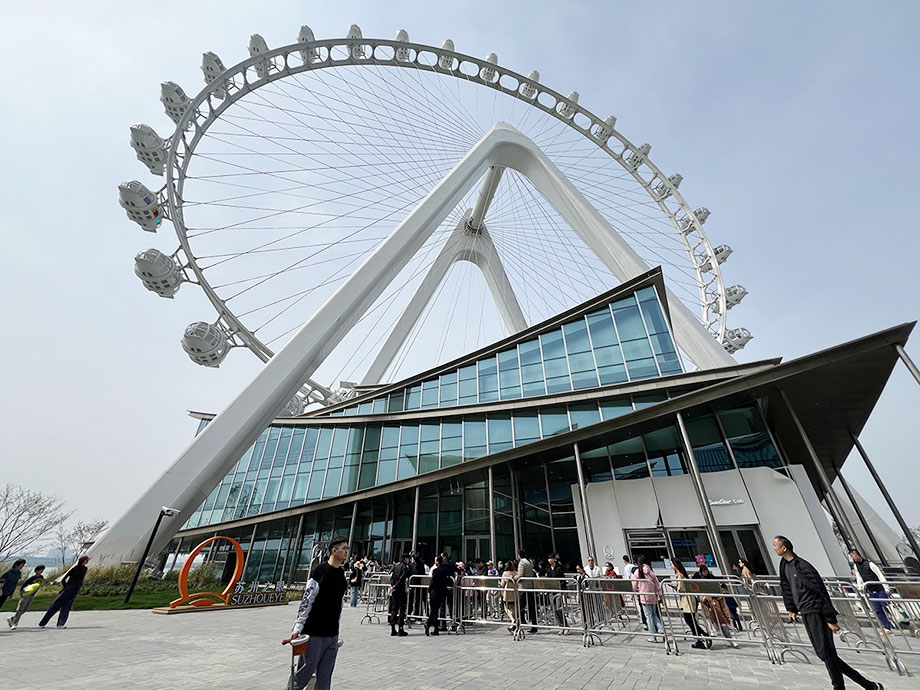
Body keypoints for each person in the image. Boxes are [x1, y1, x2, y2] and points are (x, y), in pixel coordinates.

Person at [774, 535, 883, 690]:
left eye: (775, 545)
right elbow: (786, 587)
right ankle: (851, 686)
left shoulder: (803, 566)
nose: (774, 548)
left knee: (826, 654)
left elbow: (819, 591)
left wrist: (829, 618)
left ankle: (867, 685)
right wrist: (791, 608)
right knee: (827, 654)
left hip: (816, 611)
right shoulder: (784, 565)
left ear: (784, 548)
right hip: (805, 612)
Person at [282, 536, 349, 690]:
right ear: (334, 551)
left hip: (332, 636)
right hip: (314, 635)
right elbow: (307, 601)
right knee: (302, 677)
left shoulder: (341, 575)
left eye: (347, 548)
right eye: (344, 548)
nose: (347, 551)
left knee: (325, 680)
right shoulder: (319, 572)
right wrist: (298, 627)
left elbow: (338, 605)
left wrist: (336, 633)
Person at [39, 555, 89, 629]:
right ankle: (42, 623)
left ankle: (61, 623)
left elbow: (80, 579)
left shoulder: (85, 569)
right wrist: (66, 587)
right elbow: (63, 579)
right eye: (86, 560)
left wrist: (79, 586)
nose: (86, 562)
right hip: (68, 590)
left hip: (75, 590)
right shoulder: (74, 569)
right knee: (55, 606)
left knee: (67, 607)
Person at [850, 549, 893, 634]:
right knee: (877, 609)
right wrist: (860, 586)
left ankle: (903, 622)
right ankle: (886, 627)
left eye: (853, 556)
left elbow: (879, 575)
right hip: (870, 589)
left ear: (858, 555)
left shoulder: (870, 564)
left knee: (887, 606)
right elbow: (859, 577)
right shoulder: (856, 566)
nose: (853, 558)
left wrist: (886, 587)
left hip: (879, 588)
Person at [671, 560, 711, 649]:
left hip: (688, 599)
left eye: (672, 564)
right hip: (687, 599)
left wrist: (676, 588)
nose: (671, 566)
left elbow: (681, 588)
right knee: (690, 620)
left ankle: (703, 636)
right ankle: (700, 638)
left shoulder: (680, 575)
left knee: (689, 620)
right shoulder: (681, 574)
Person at [631, 555, 664, 643]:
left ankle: (653, 636)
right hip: (653, 596)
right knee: (654, 614)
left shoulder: (638, 571)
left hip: (644, 597)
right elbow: (657, 584)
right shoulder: (651, 571)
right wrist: (660, 596)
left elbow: (634, 584)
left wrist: (632, 595)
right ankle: (660, 628)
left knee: (649, 617)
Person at [8, 564, 45, 630]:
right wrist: (22, 593)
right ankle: (14, 623)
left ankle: (12, 618)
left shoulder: (41, 577)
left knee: (25, 609)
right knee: (20, 609)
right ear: (36, 571)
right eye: (40, 570)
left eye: (42, 570)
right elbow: (24, 585)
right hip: (26, 594)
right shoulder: (32, 578)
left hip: (32, 595)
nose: (41, 571)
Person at [424, 555, 453, 636]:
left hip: (434, 592)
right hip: (441, 592)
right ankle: (436, 629)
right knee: (436, 610)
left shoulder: (435, 571)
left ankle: (428, 623)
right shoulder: (445, 570)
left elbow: (433, 582)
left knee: (433, 610)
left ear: (437, 562)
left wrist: (429, 589)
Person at [515, 549, 539, 633]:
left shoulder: (522, 563)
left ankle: (516, 625)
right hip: (530, 587)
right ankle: (534, 626)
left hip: (523, 587)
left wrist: (513, 578)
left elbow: (520, 575)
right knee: (531, 608)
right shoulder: (528, 562)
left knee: (520, 607)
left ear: (519, 555)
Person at [388, 553, 410, 637]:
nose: (409, 560)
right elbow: (402, 578)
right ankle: (401, 628)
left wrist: (392, 586)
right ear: (405, 559)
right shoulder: (404, 567)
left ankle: (393, 628)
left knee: (394, 609)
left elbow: (392, 577)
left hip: (394, 591)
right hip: (400, 590)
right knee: (402, 609)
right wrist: (396, 586)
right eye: (408, 558)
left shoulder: (396, 566)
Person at [546, 554, 569, 635]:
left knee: (559, 609)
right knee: (554, 610)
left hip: (558, 591)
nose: (550, 560)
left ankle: (566, 626)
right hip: (551, 591)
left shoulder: (559, 568)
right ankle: (561, 626)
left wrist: (562, 589)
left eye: (551, 558)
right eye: (549, 558)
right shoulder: (548, 569)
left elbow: (562, 580)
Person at [500, 561, 518, 632]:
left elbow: (502, 584)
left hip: (507, 593)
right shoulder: (515, 573)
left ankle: (513, 620)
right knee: (513, 608)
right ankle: (514, 624)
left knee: (506, 607)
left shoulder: (505, 573)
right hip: (514, 592)